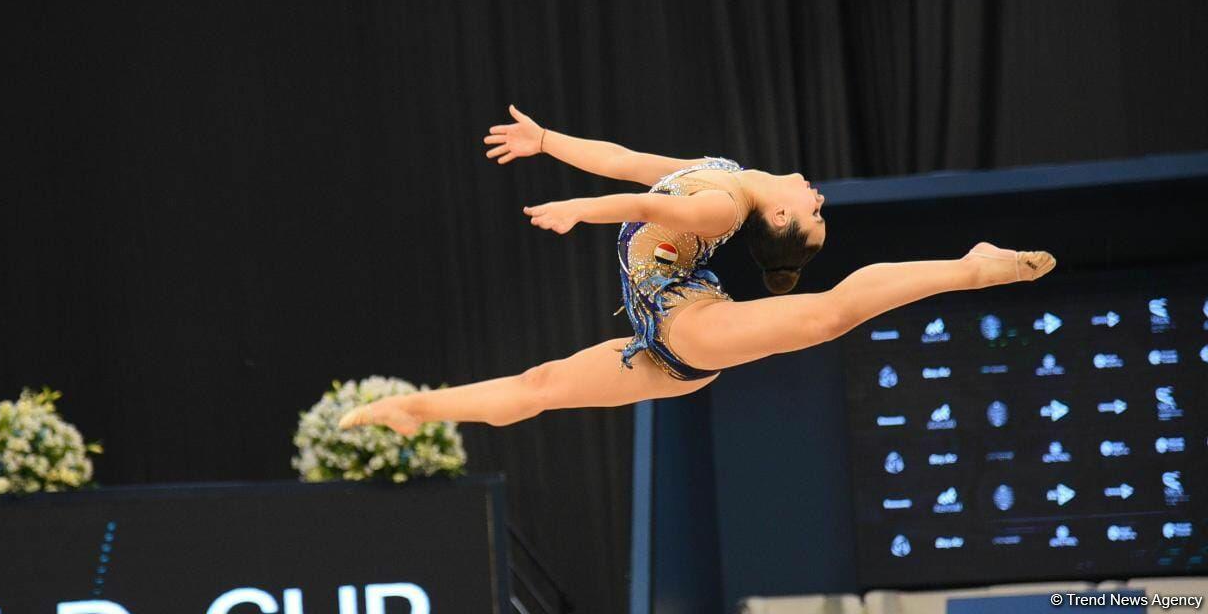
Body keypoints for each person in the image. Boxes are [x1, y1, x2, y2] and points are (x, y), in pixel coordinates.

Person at [339, 105, 1054, 434]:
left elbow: (641, 202)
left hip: (685, 326)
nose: (818, 198)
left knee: (828, 315)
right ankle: (412, 411)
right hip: (659, 343)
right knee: (540, 387)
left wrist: (579, 209)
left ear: (781, 218)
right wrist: (547, 140)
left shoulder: (718, 208)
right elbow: (627, 161)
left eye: (815, 213)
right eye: (821, 211)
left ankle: (971, 268)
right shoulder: (723, 174)